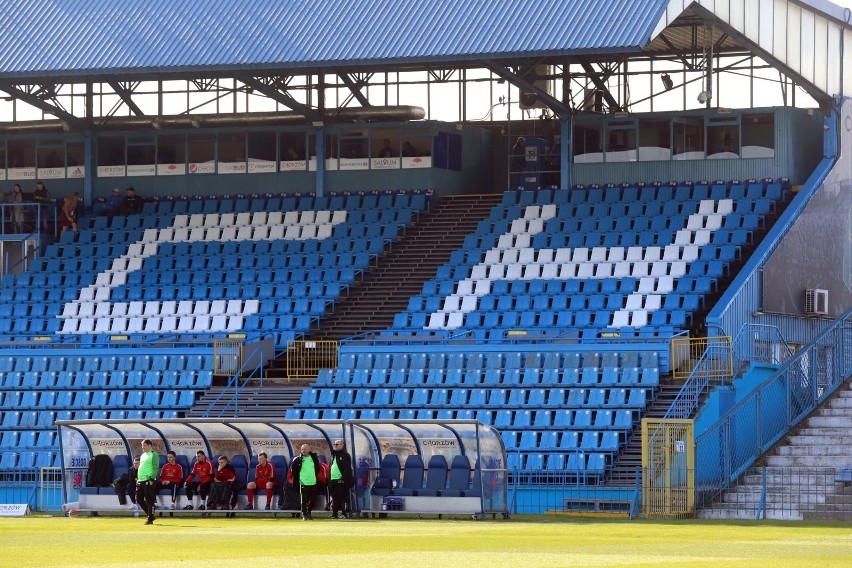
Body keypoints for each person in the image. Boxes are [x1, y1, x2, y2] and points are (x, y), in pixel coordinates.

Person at [289, 444, 322, 520]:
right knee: (303, 499)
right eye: (302, 449)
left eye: (305, 449)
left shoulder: (314, 458)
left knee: (313, 498)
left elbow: (317, 468)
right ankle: (304, 514)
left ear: (309, 449)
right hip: (303, 482)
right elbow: (293, 470)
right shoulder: (298, 459)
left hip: (313, 481)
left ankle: (309, 512)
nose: (303, 451)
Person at [328, 439, 354, 519]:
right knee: (334, 497)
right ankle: (334, 513)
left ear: (342, 445)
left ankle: (344, 513)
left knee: (343, 497)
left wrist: (343, 479)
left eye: (337, 444)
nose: (335, 446)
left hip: (341, 479)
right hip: (333, 479)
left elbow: (347, 468)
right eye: (335, 444)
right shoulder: (333, 455)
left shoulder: (345, 455)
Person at [137, 439, 159, 525]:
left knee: (149, 500)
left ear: (150, 445)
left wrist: (152, 479)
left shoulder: (154, 455)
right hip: (140, 480)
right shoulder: (143, 455)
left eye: (145, 445)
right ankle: (151, 515)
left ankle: (150, 518)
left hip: (148, 480)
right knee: (139, 499)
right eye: (142, 446)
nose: (143, 447)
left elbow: (155, 467)